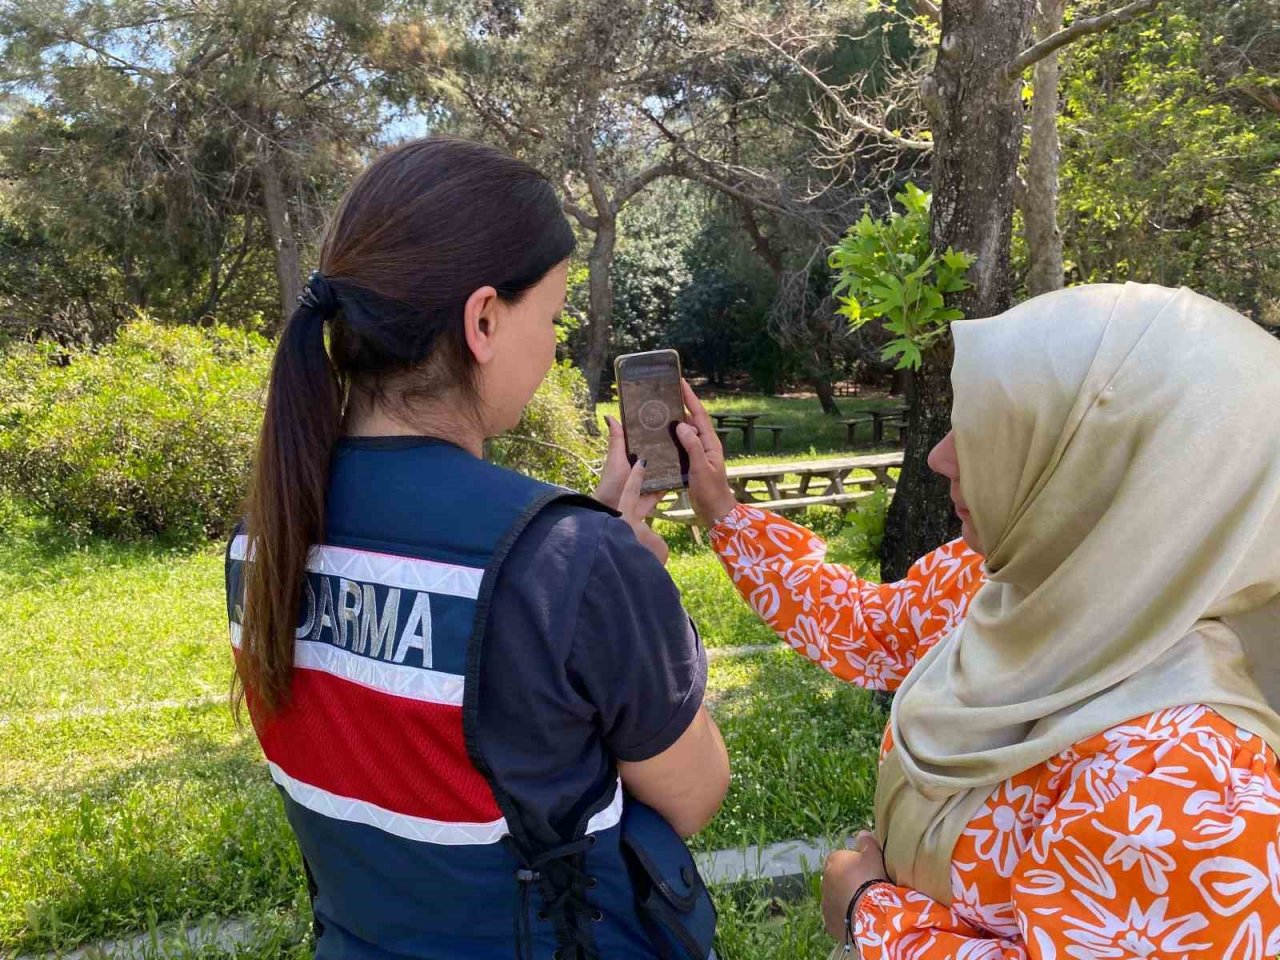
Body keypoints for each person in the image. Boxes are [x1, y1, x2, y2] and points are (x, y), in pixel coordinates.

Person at [224, 136, 728, 960]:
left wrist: (590, 546)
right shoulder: (572, 562)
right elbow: (695, 792)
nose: (553, 348)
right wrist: (607, 569)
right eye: (553, 319)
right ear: (484, 320)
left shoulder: (263, 539)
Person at [675, 282, 1280, 958]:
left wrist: (871, 916)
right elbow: (871, 627)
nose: (939, 458)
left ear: (1104, 470)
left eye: (995, 433)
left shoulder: (1191, 787)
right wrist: (724, 514)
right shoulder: (1004, 581)